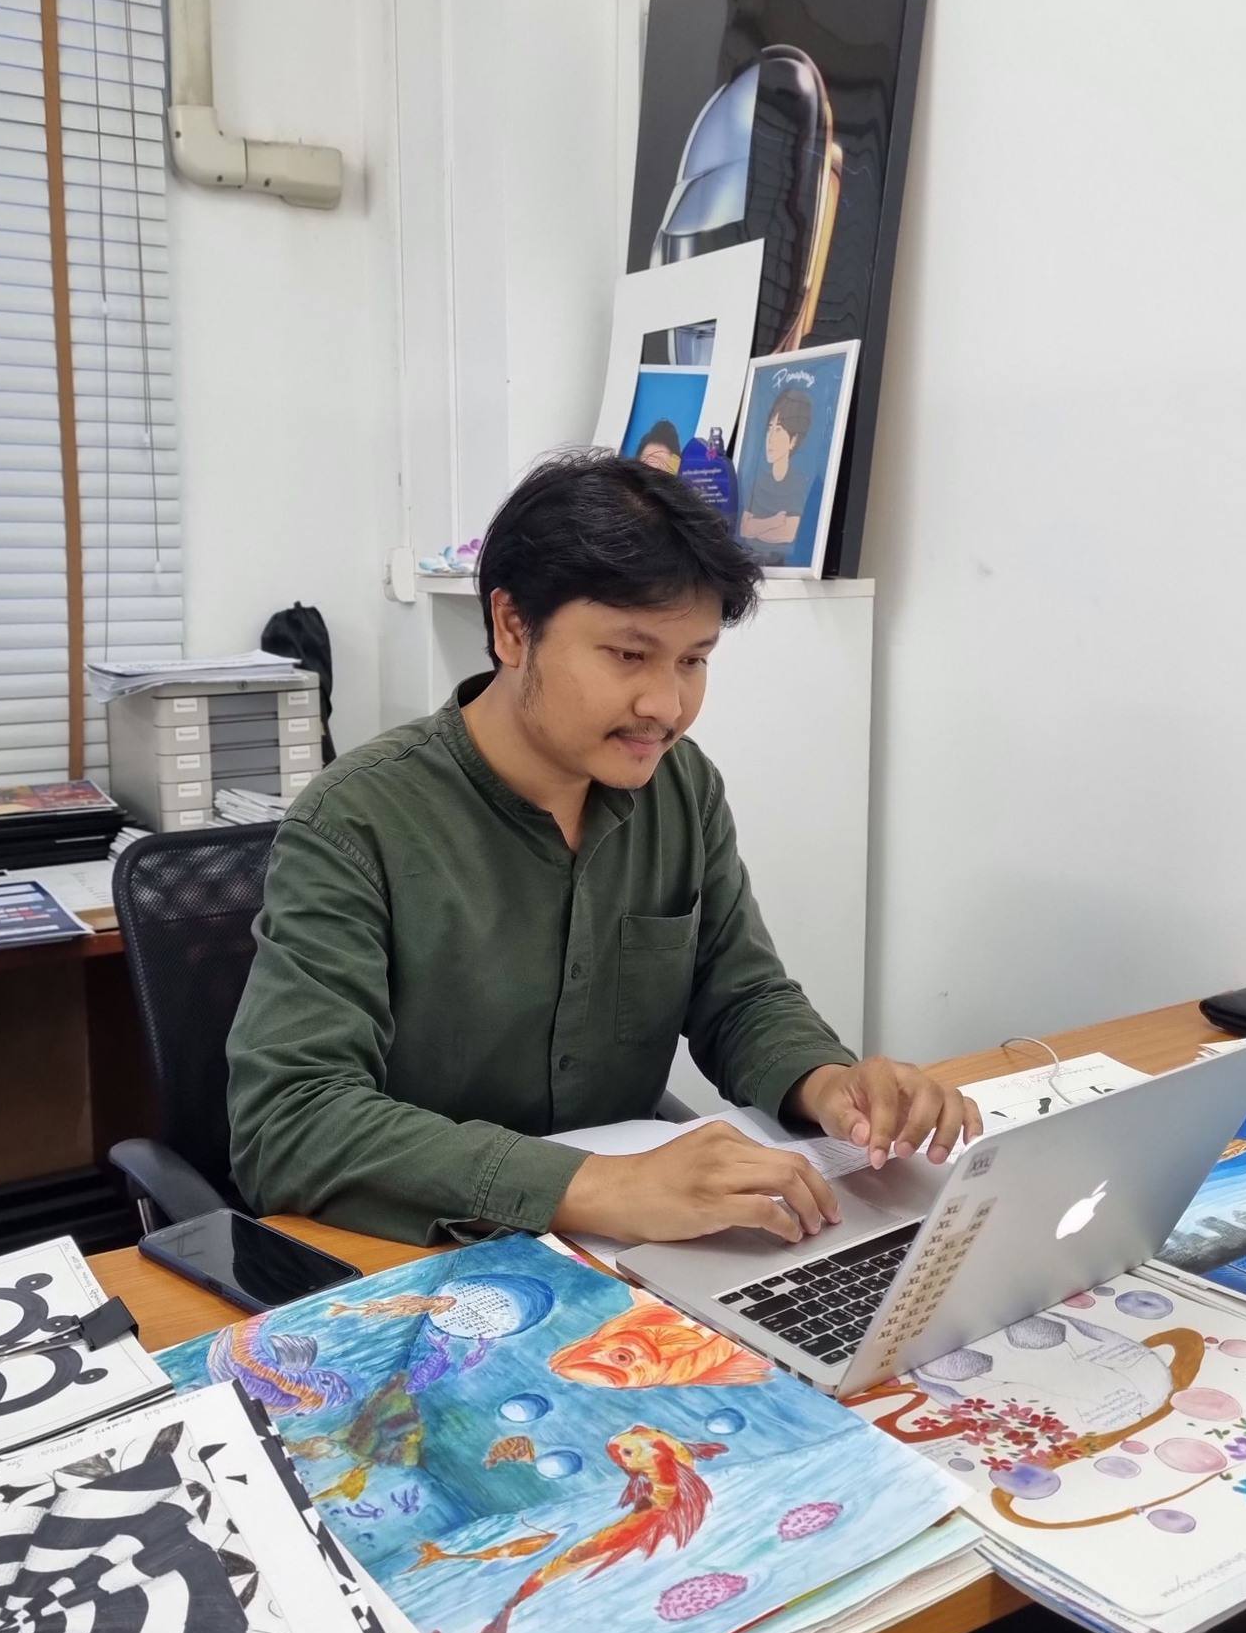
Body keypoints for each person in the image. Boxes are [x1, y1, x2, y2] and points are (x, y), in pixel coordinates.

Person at [228, 452, 980, 1245]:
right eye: (628, 655)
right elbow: (290, 1120)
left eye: (692, 660)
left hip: (631, 1247)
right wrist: (594, 1186)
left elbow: (741, 996)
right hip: (425, 1252)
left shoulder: (681, 787)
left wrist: (829, 1085)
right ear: (513, 627)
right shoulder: (356, 821)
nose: (667, 705)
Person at [739, 385, 813, 557]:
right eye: (769, 429)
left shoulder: (798, 483)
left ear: (793, 440)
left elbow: (789, 533)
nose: (770, 439)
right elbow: (744, 530)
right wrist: (774, 522)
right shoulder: (759, 482)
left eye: (778, 429)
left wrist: (757, 527)